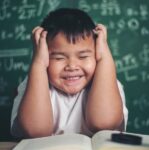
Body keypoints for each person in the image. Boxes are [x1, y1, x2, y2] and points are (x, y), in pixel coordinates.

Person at [11, 8, 128, 138]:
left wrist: (104, 58)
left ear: (97, 54)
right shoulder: (32, 85)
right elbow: (36, 131)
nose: (72, 66)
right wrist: (38, 64)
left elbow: (104, 124)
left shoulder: (108, 83)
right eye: (59, 58)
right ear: (44, 56)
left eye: (83, 57)